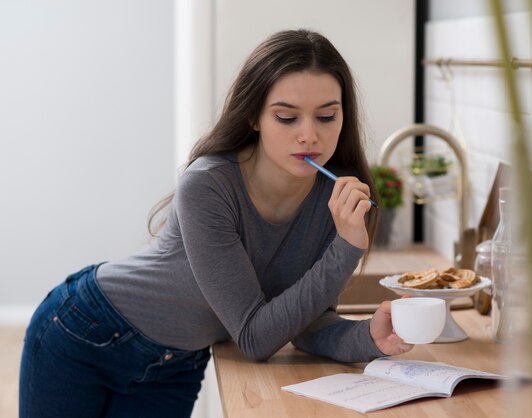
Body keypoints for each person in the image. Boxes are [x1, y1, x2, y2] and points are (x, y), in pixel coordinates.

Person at [19, 29, 413, 418]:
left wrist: (368, 337)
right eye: (286, 117)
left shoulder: (336, 200)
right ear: (253, 116)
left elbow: (305, 323)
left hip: (177, 363)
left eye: (327, 116)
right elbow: (256, 337)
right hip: (87, 331)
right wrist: (347, 247)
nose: (309, 135)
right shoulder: (208, 185)